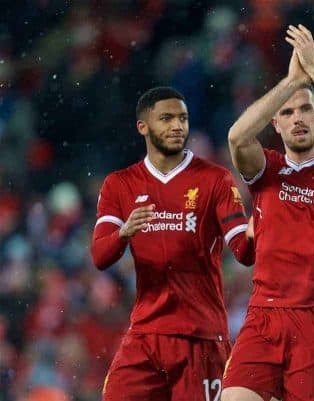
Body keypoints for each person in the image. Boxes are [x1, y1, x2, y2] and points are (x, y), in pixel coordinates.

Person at [221, 24, 314, 401]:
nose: (298, 118)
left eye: (306, 109)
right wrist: (291, 83)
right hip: (264, 315)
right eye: (287, 113)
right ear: (276, 122)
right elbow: (238, 138)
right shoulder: (267, 169)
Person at [90, 86, 255, 401]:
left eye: (183, 118)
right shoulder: (120, 184)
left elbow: (244, 253)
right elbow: (100, 256)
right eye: (166, 118)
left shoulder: (215, 180)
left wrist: (258, 227)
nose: (177, 126)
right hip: (146, 334)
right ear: (143, 126)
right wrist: (123, 233)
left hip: (201, 337)